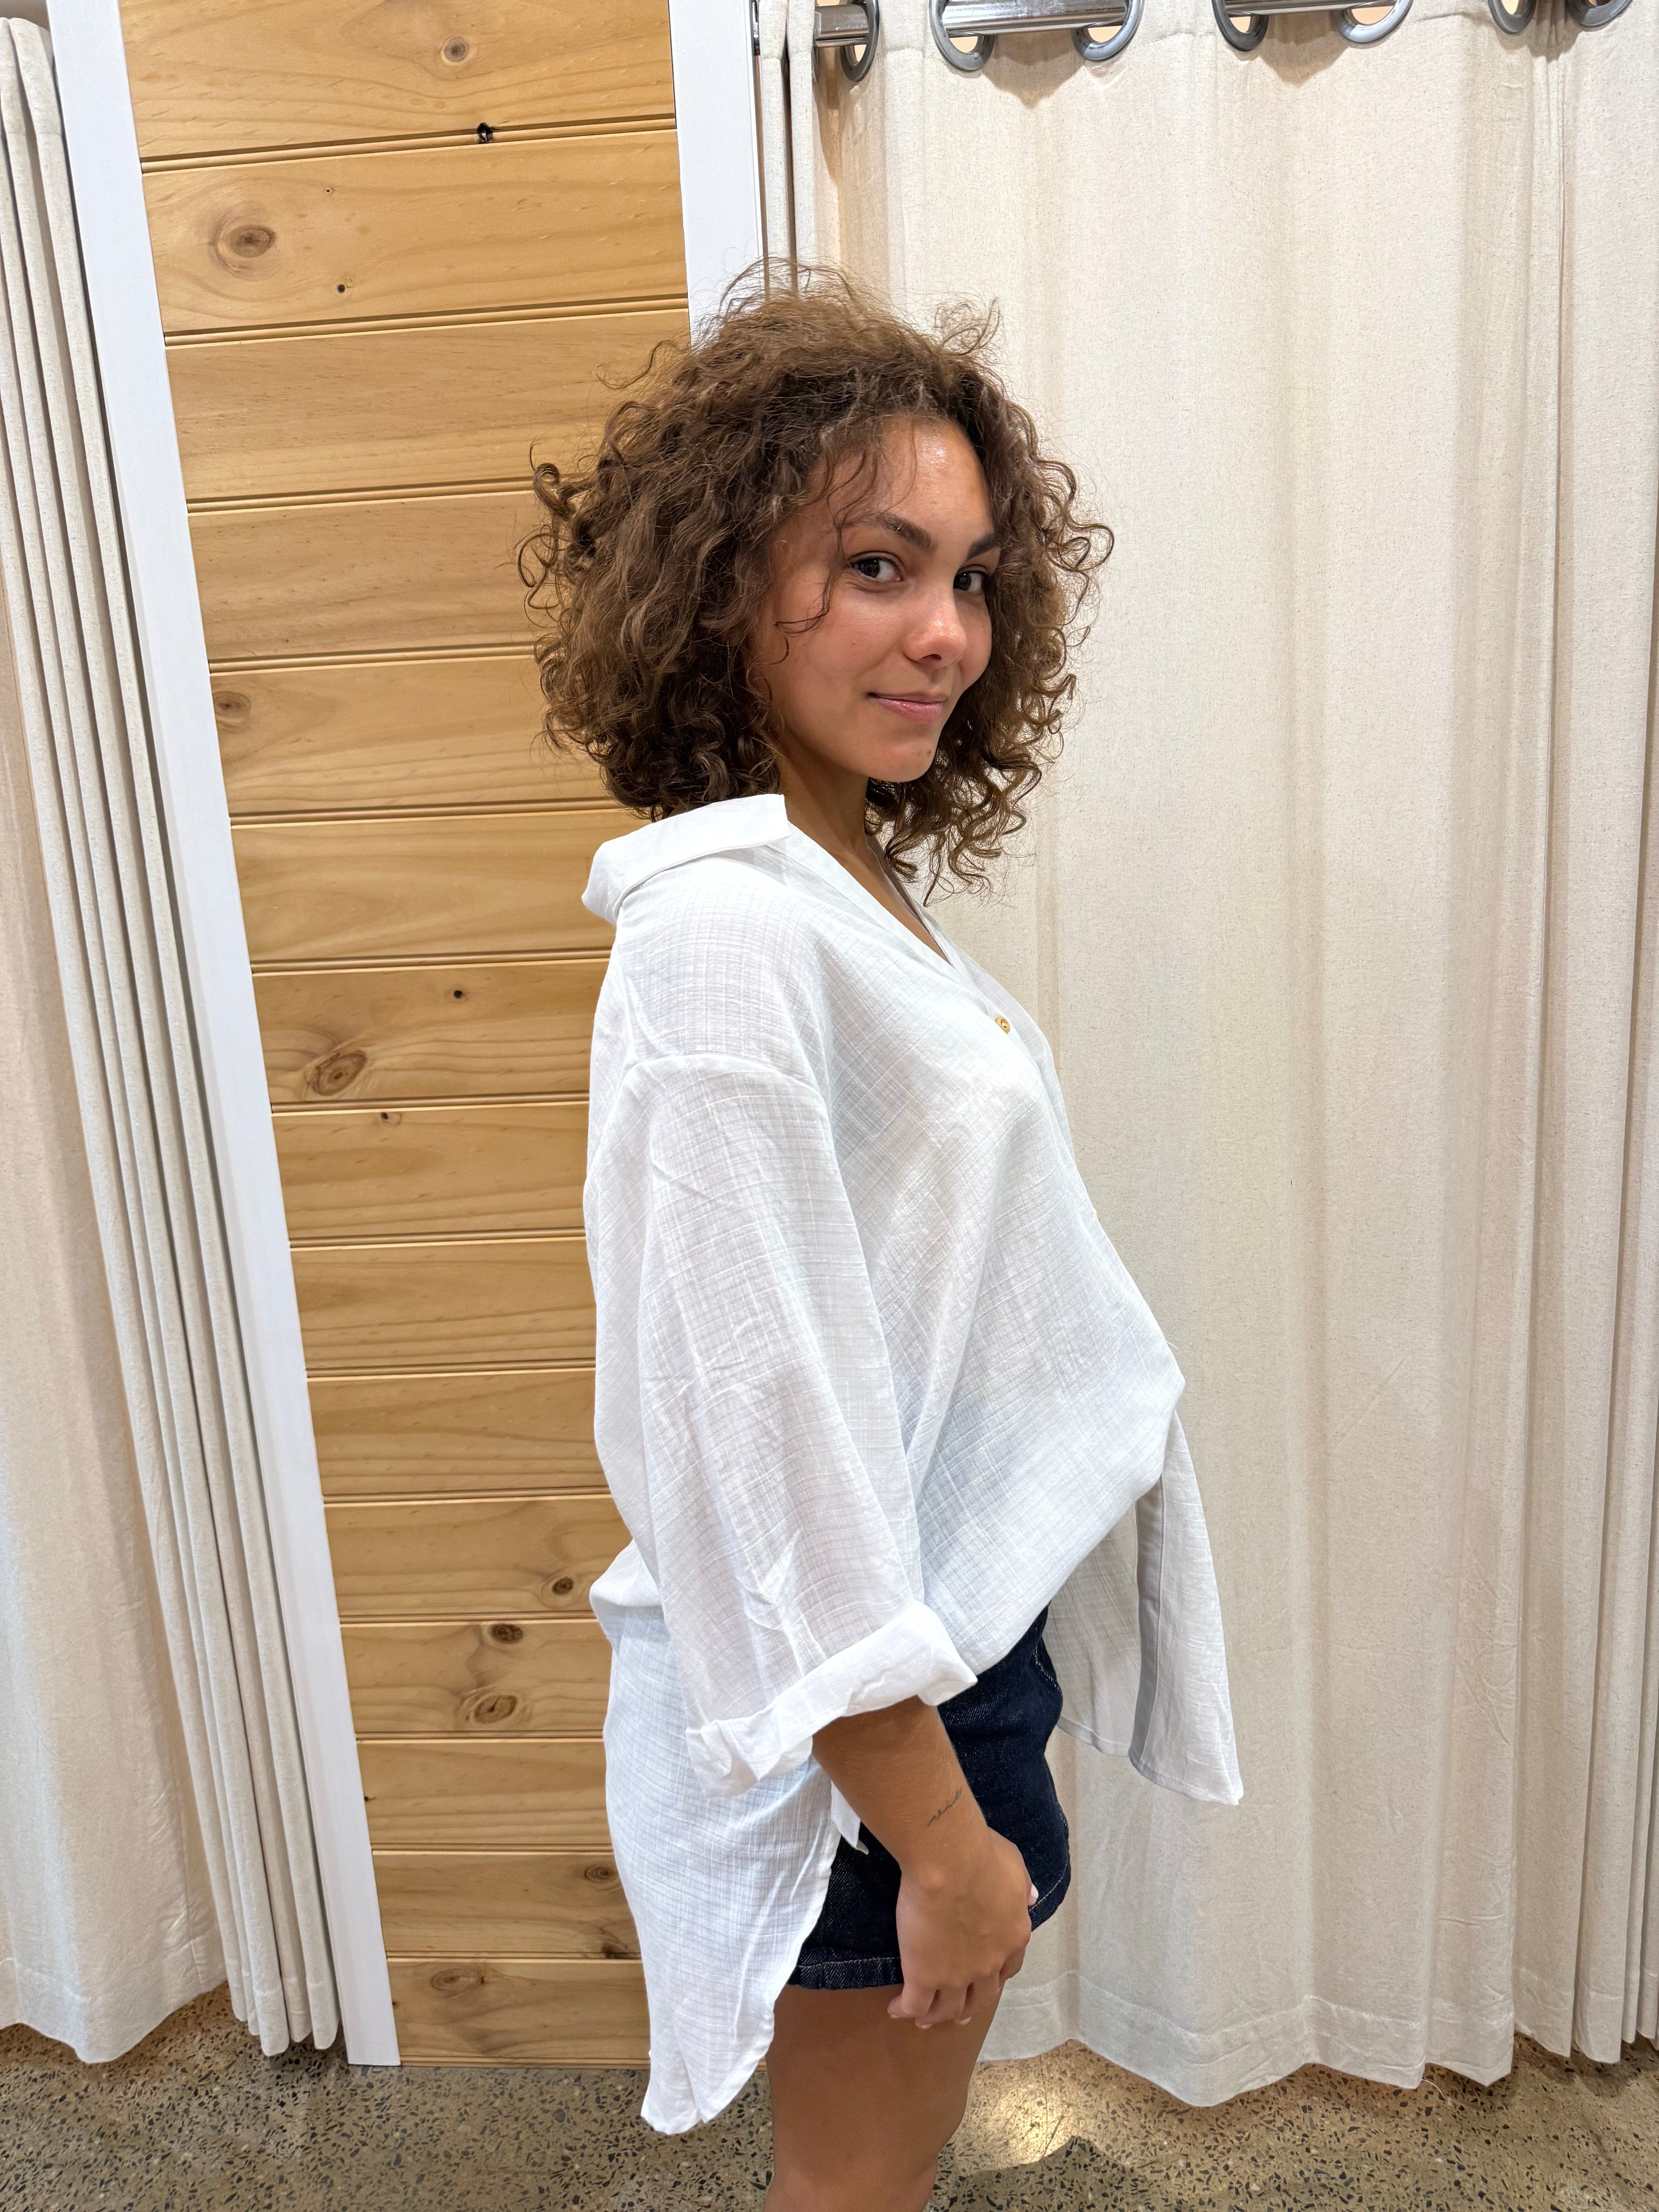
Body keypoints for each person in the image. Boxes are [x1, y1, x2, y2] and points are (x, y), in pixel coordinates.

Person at [520, 268, 1242, 2212]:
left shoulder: (835, 873)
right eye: (875, 566)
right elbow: (755, 1425)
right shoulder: (724, 935)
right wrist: (931, 1829)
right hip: (876, 1723)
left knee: (878, 2178)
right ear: (719, 586)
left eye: (974, 578)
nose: (946, 632)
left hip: (940, 1658)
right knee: (852, 2192)